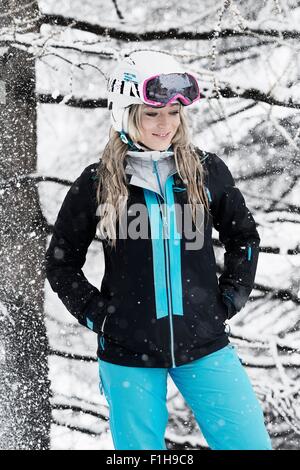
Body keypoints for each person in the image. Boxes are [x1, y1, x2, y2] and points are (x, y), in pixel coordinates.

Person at [45, 50, 272, 450]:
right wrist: (102, 318)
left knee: (249, 443)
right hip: (128, 354)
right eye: (151, 114)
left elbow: (244, 238)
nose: (164, 124)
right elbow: (61, 264)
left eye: (172, 112)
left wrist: (229, 300)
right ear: (125, 115)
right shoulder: (97, 182)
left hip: (205, 345)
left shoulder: (204, 171)